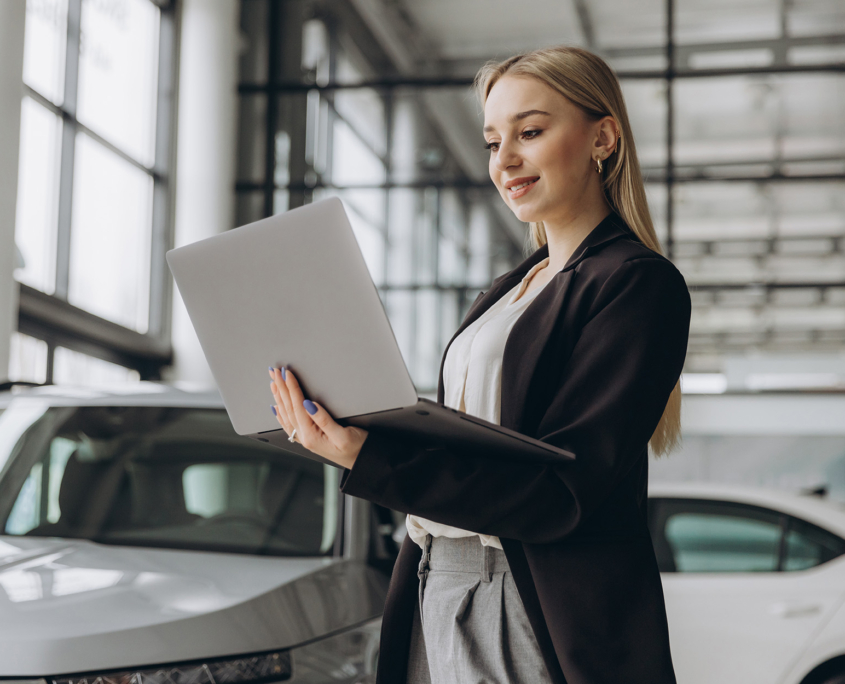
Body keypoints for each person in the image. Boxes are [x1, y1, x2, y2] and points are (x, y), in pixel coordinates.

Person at [268, 45, 690, 684]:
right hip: (435, 575)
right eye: (494, 141)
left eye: (531, 131)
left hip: (524, 597)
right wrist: (351, 430)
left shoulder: (635, 284)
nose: (505, 160)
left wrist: (371, 460)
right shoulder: (505, 291)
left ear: (602, 137)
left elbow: (562, 493)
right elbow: (472, 445)